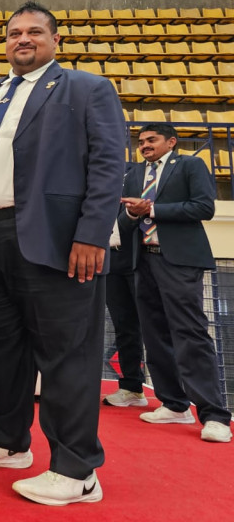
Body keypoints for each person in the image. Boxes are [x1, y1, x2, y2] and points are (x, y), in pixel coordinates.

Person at [0, 1, 126, 506]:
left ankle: (77, 470)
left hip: (56, 241)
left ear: (55, 40)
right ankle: (9, 440)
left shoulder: (86, 88)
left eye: (34, 32)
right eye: (13, 33)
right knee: (0, 349)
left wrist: (92, 234)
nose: (22, 39)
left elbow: (108, 162)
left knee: (66, 356)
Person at [119, 123, 231, 443]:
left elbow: (204, 207)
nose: (144, 145)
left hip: (179, 261)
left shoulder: (190, 165)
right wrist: (132, 215)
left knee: (190, 333)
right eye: (141, 141)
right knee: (154, 335)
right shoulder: (134, 174)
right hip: (142, 260)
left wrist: (152, 209)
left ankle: (214, 415)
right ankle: (174, 404)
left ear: (171, 141)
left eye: (151, 140)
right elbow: (125, 219)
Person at [102, 161, 148, 408]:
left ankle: (174, 397)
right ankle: (132, 387)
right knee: (124, 326)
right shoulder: (91, 171)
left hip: (139, 257)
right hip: (110, 259)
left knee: (154, 326)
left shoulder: (139, 172)